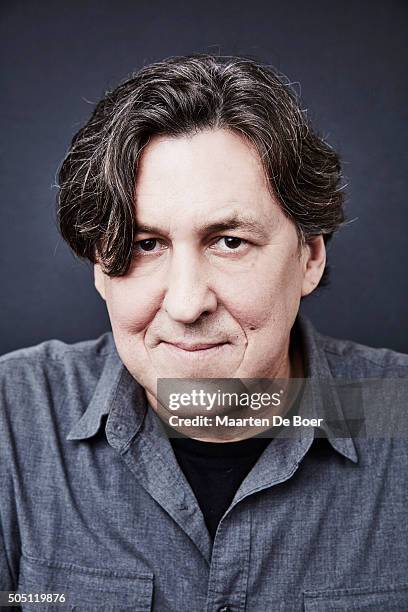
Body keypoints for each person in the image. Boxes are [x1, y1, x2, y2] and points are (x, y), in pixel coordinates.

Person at [1, 54, 407, 611]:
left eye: (230, 241)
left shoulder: (399, 414)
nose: (187, 303)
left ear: (309, 258)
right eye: (147, 245)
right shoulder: (12, 419)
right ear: (101, 268)